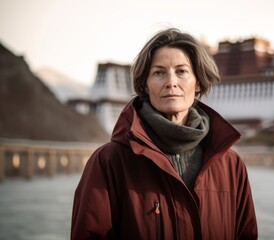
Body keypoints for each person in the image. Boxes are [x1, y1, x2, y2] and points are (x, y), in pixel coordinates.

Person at [71, 28, 258, 240]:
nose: (171, 82)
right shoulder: (109, 162)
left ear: (198, 82)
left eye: (181, 71)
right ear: (145, 84)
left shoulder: (231, 165)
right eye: (159, 72)